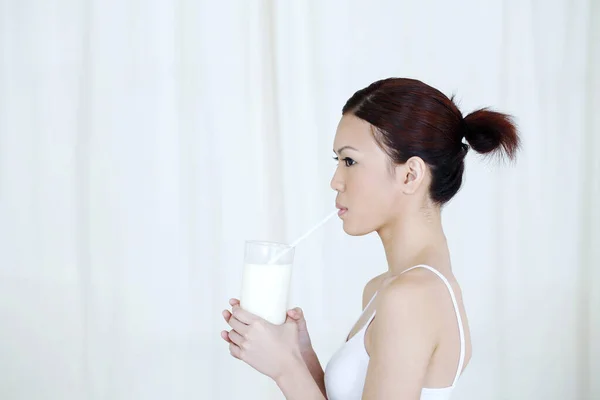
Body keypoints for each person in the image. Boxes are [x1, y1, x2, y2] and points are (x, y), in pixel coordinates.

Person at [220, 77, 520, 399]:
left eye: (350, 161)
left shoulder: (411, 297)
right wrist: (300, 354)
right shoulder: (384, 289)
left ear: (410, 175)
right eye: (338, 161)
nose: (336, 181)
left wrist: (285, 368)